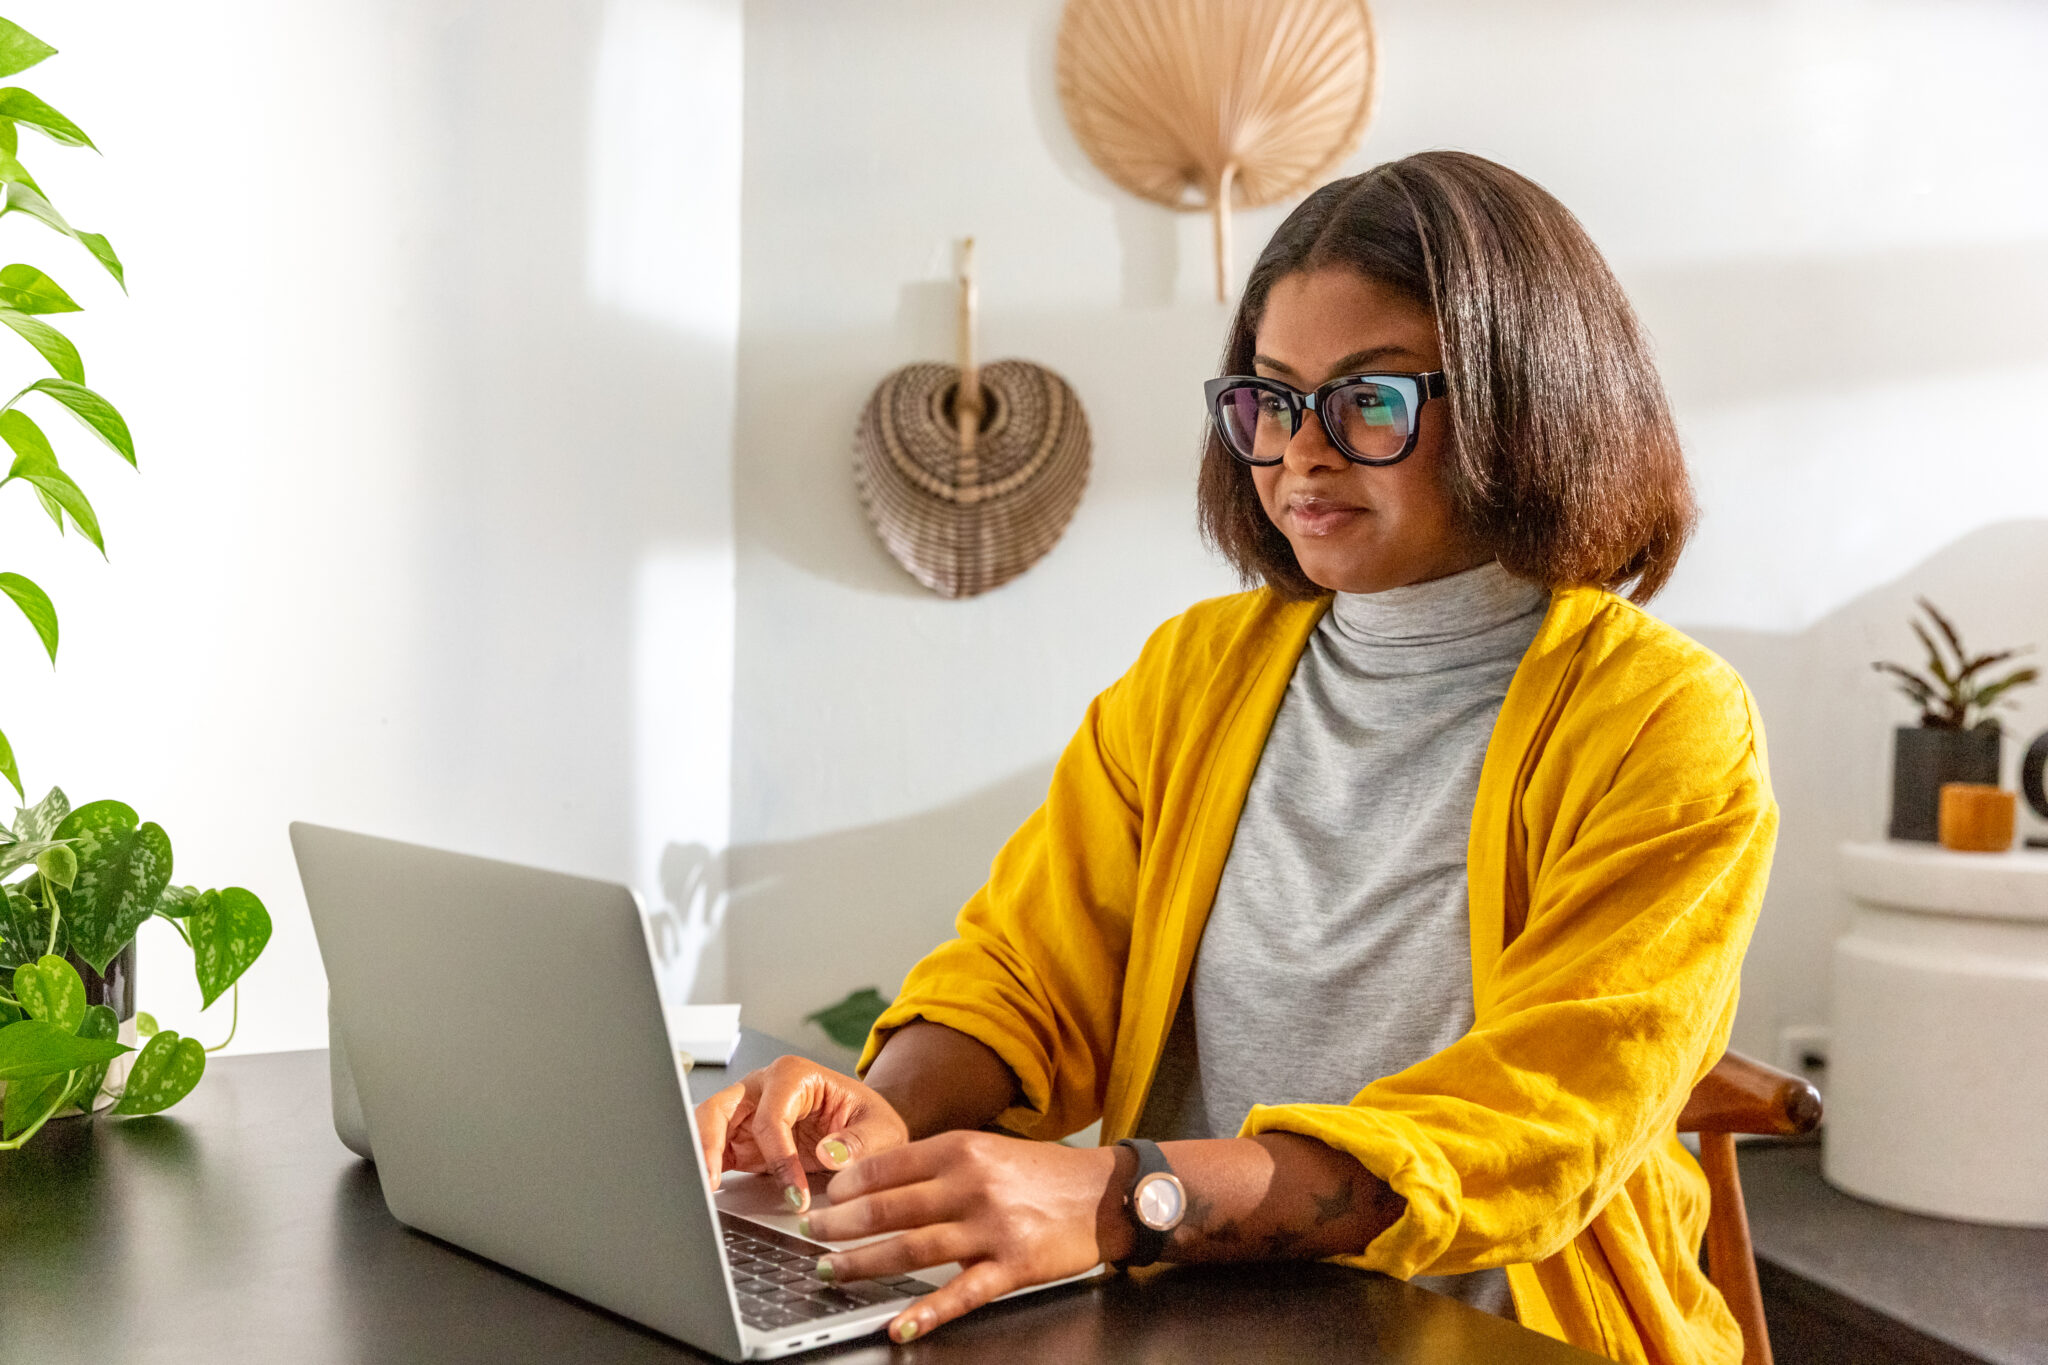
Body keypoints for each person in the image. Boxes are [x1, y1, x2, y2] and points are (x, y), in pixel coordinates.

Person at [695, 150, 1775, 1365]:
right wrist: (881, 1107)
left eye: (1368, 400)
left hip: (1492, 1330)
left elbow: (1533, 1124)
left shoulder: (1662, 722)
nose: (1296, 455)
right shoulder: (1192, 674)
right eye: (1270, 398)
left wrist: (1120, 1197)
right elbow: (1026, 975)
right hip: (1190, 1323)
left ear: (1524, 401)